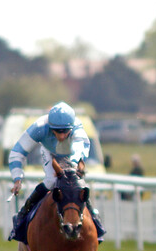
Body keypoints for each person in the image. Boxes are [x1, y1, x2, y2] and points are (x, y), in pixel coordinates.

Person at [8, 102, 105, 243]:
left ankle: (95, 220)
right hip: (50, 153)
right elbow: (17, 152)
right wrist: (17, 178)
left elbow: (79, 148)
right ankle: (23, 214)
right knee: (51, 182)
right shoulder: (39, 127)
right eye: (57, 131)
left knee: (76, 183)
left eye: (65, 131)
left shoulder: (78, 128)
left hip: (73, 155)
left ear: (71, 127)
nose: (61, 135)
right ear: (50, 126)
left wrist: (73, 164)